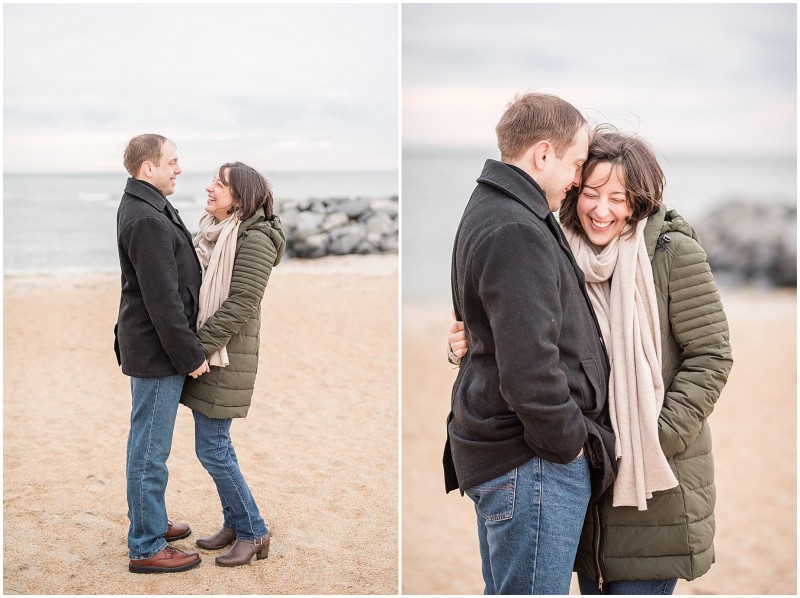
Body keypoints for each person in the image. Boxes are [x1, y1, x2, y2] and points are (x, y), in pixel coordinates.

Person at [449, 126, 734, 594]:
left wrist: (651, 440)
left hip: (652, 481)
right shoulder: (553, 247)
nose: (603, 211)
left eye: (619, 198)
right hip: (583, 469)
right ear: (575, 189)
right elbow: (518, 338)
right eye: (593, 193)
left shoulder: (670, 252)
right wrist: (461, 343)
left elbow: (711, 356)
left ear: (639, 201)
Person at [444, 93, 618, 595]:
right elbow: (529, 366)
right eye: (577, 163)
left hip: (517, 456)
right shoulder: (515, 227)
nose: (579, 179)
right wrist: (570, 443)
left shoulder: (495, 209)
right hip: (533, 461)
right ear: (543, 154)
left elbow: (489, 332)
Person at [179, 162, 286, 567]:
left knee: (213, 447)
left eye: (220, 184)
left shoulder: (255, 239)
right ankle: (234, 523)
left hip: (225, 354)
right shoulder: (220, 231)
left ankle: (254, 530)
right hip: (216, 350)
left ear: (240, 197)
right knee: (213, 446)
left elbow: (242, 303)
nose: (210, 188)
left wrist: (199, 349)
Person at [115, 134, 210, 573]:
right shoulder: (146, 218)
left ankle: (150, 522)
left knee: (149, 445)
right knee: (150, 450)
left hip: (152, 348)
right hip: (158, 354)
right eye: (172, 161)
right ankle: (147, 546)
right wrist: (190, 355)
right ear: (147, 167)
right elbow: (162, 299)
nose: (179, 168)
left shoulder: (145, 205)